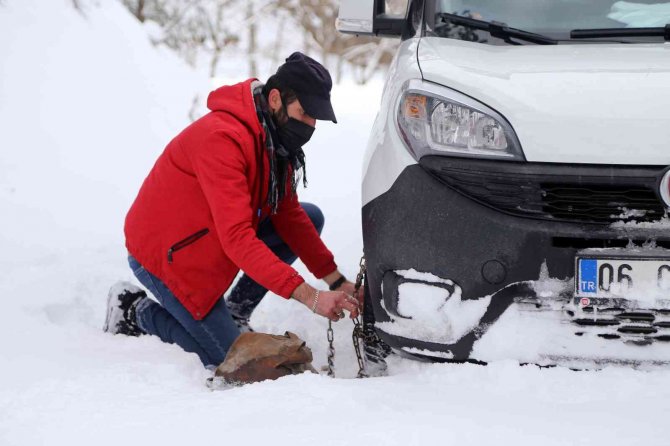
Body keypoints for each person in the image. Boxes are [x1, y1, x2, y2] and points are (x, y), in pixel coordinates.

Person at [103, 52, 361, 368]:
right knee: (230, 360)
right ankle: (133, 310)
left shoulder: (274, 139)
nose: (310, 125)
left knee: (309, 216)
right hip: (169, 253)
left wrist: (336, 281)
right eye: (305, 113)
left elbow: (288, 213)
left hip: (212, 235)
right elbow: (237, 238)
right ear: (276, 98)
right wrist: (310, 296)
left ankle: (235, 311)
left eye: (315, 119)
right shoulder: (222, 139)